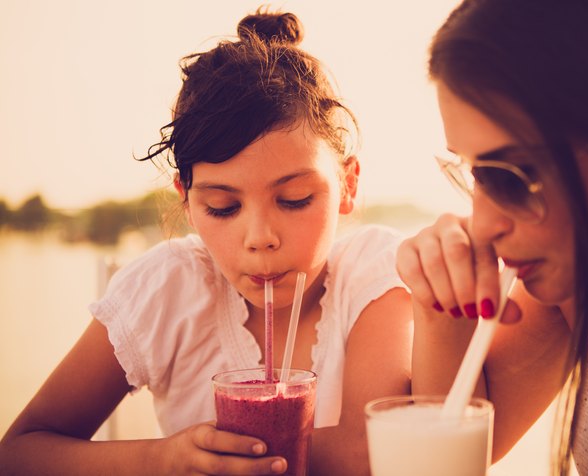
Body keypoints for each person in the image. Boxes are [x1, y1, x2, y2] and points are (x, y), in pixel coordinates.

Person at [0, 10, 412, 476]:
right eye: (222, 206)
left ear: (348, 185)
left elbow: (373, 450)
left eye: (294, 199)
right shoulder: (168, 288)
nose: (260, 239)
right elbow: (18, 453)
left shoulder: (372, 275)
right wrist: (161, 458)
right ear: (187, 200)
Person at [397, 0, 588, 475]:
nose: (482, 225)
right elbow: (467, 449)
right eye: (475, 175)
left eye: (511, 175)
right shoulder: (586, 281)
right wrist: (443, 307)